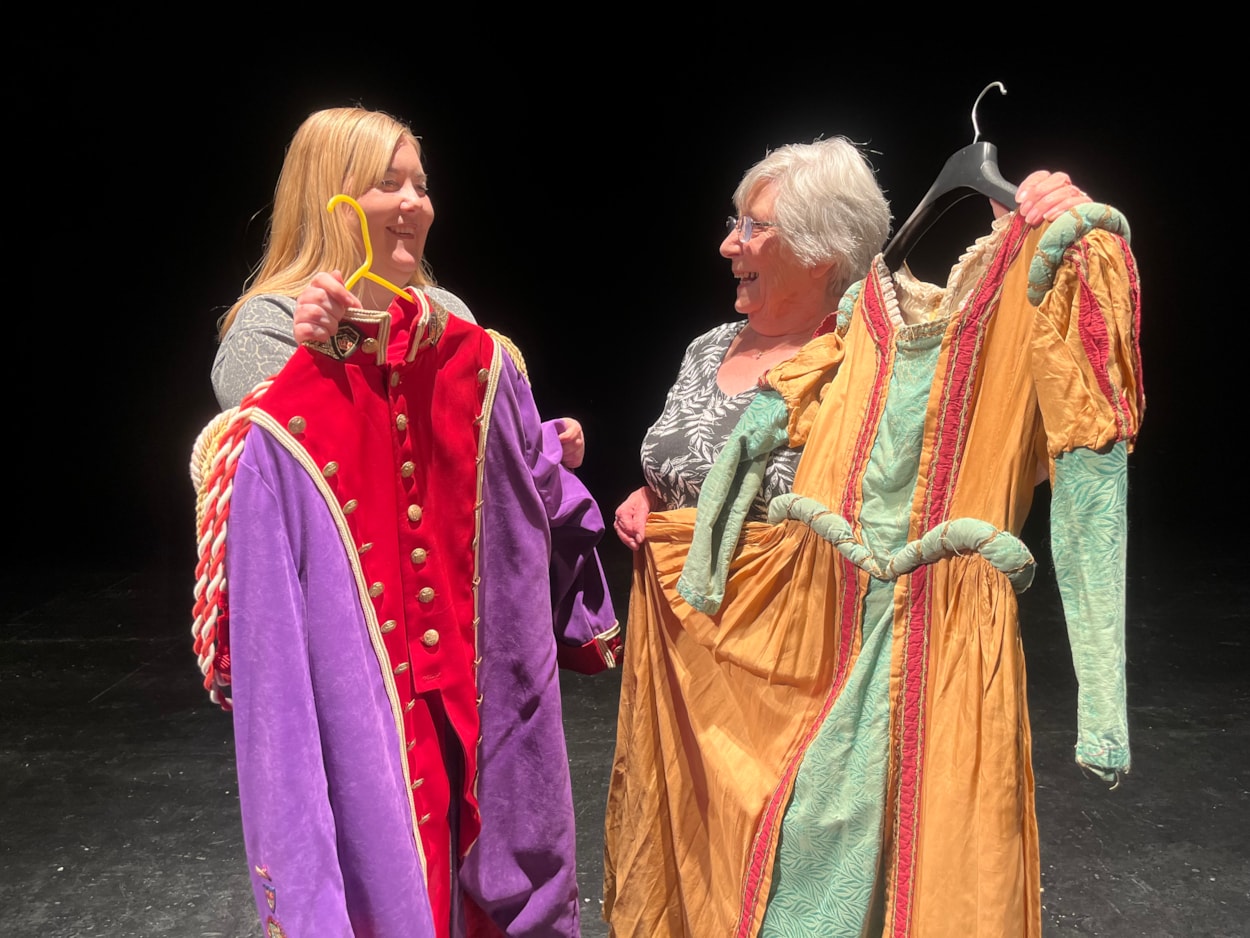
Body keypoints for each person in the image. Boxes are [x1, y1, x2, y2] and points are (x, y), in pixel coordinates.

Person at [602, 137, 1139, 937]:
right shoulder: (736, 345)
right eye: (734, 222)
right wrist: (662, 514)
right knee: (722, 869)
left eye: (754, 226)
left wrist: (1103, 706)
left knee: (888, 876)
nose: (729, 244)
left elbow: (1086, 464)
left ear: (822, 251)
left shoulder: (869, 336)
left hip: (867, 637)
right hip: (709, 644)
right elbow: (726, 454)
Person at [189, 105, 620, 938]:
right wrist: (319, 357)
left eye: (421, 183)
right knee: (376, 862)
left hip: (463, 633)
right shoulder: (268, 325)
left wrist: (538, 436)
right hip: (356, 651)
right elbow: (281, 463)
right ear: (333, 195)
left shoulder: (450, 310)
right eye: (390, 183)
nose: (416, 202)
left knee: (488, 842)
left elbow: (473, 423)